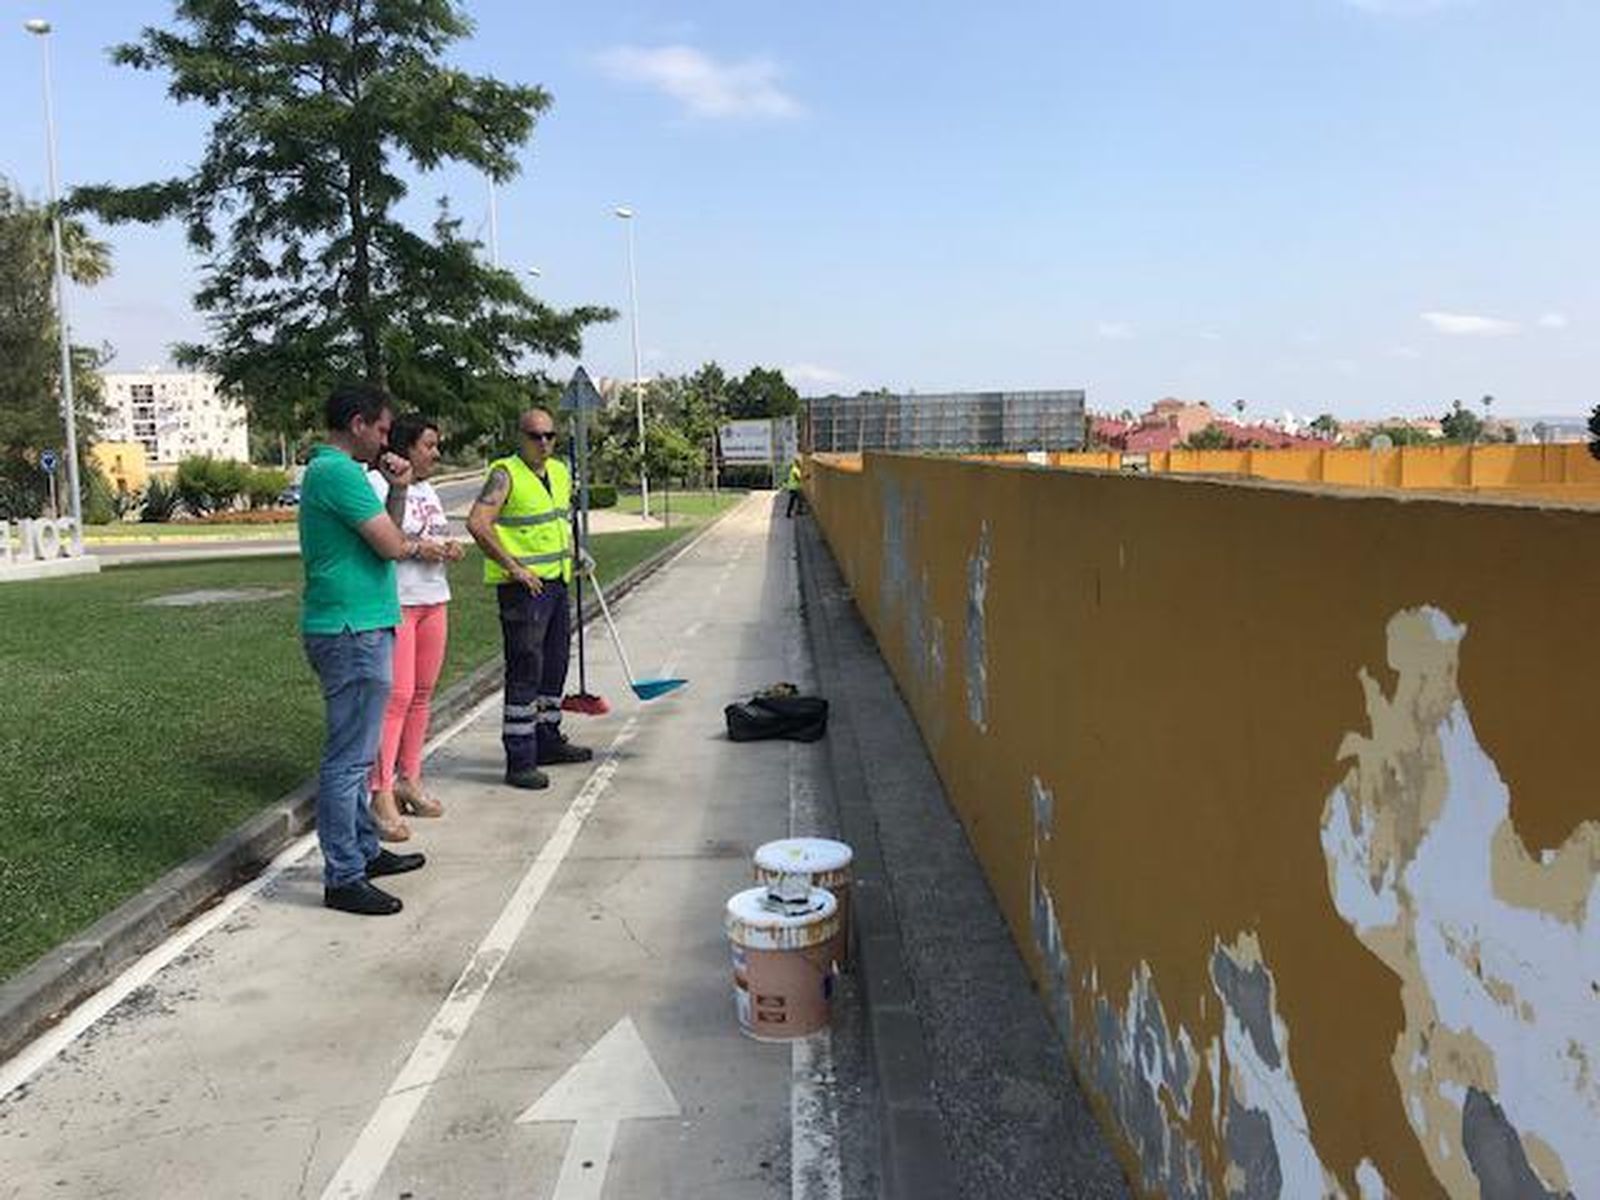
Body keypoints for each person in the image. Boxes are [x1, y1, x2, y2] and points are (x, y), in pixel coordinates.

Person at [299, 382, 449, 916]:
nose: (388, 440)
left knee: (360, 754)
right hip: (350, 629)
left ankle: (363, 849)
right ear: (358, 424)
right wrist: (420, 546)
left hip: (357, 624)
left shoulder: (337, 473)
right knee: (347, 761)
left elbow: (384, 527)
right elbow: (388, 543)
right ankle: (344, 875)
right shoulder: (338, 472)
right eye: (383, 429)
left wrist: (399, 490)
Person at [466, 406, 593, 790]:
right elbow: (477, 523)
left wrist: (576, 552)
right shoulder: (505, 474)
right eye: (535, 436)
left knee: (554, 666)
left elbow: (558, 521)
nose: (544, 443)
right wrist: (514, 567)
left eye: (550, 436)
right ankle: (520, 758)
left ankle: (547, 740)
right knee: (525, 671)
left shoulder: (558, 471)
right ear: (520, 438)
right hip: (524, 591)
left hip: (557, 583)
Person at [367, 413, 464, 841]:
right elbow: (383, 541)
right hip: (399, 602)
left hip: (433, 598)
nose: (436, 453)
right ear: (405, 448)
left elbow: (432, 534)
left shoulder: (429, 491)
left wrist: (446, 547)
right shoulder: (377, 486)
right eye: (428, 445)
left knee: (422, 695)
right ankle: (381, 791)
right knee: (397, 697)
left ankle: (410, 778)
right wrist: (416, 549)